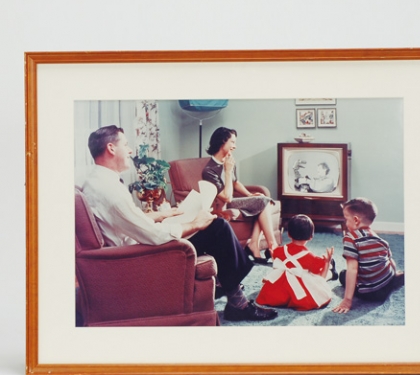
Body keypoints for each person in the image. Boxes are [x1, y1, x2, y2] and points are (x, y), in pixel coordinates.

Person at [81, 125, 277, 322]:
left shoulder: (97, 182)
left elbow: (126, 219)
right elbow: (154, 235)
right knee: (218, 228)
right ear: (111, 148)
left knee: (211, 225)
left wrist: (164, 214)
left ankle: (226, 286)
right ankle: (238, 303)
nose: (130, 150)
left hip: (135, 247)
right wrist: (195, 224)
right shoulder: (110, 190)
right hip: (140, 256)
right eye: (125, 144)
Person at [202, 127, 278, 264]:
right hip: (220, 205)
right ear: (222, 142)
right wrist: (227, 170)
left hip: (230, 200)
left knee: (263, 200)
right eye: (232, 142)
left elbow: (235, 182)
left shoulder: (229, 160)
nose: (235, 146)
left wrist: (249, 195)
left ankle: (254, 244)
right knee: (264, 201)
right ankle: (272, 247)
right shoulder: (209, 170)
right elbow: (226, 197)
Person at [332, 197, 404, 314]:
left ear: (356, 220)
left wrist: (347, 300)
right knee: (388, 266)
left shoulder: (351, 239)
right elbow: (391, 261)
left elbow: (353, 269)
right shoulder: (381, 240)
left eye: (346, 219)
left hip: (371, 294)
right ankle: (395, 278)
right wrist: (393, 274)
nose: (345, 222)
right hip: (387, 285)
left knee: (343, 274)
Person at [256, 215, 334, 311]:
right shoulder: (311, 258)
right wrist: (327, 262)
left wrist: (273, 254)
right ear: (311, 237)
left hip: (280, 290)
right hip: (298, 288)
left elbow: (276, 264)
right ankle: (332, 271)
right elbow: (321, 278)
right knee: (321, 285)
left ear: (289, 234)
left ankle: (332, 271)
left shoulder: (279, 250)